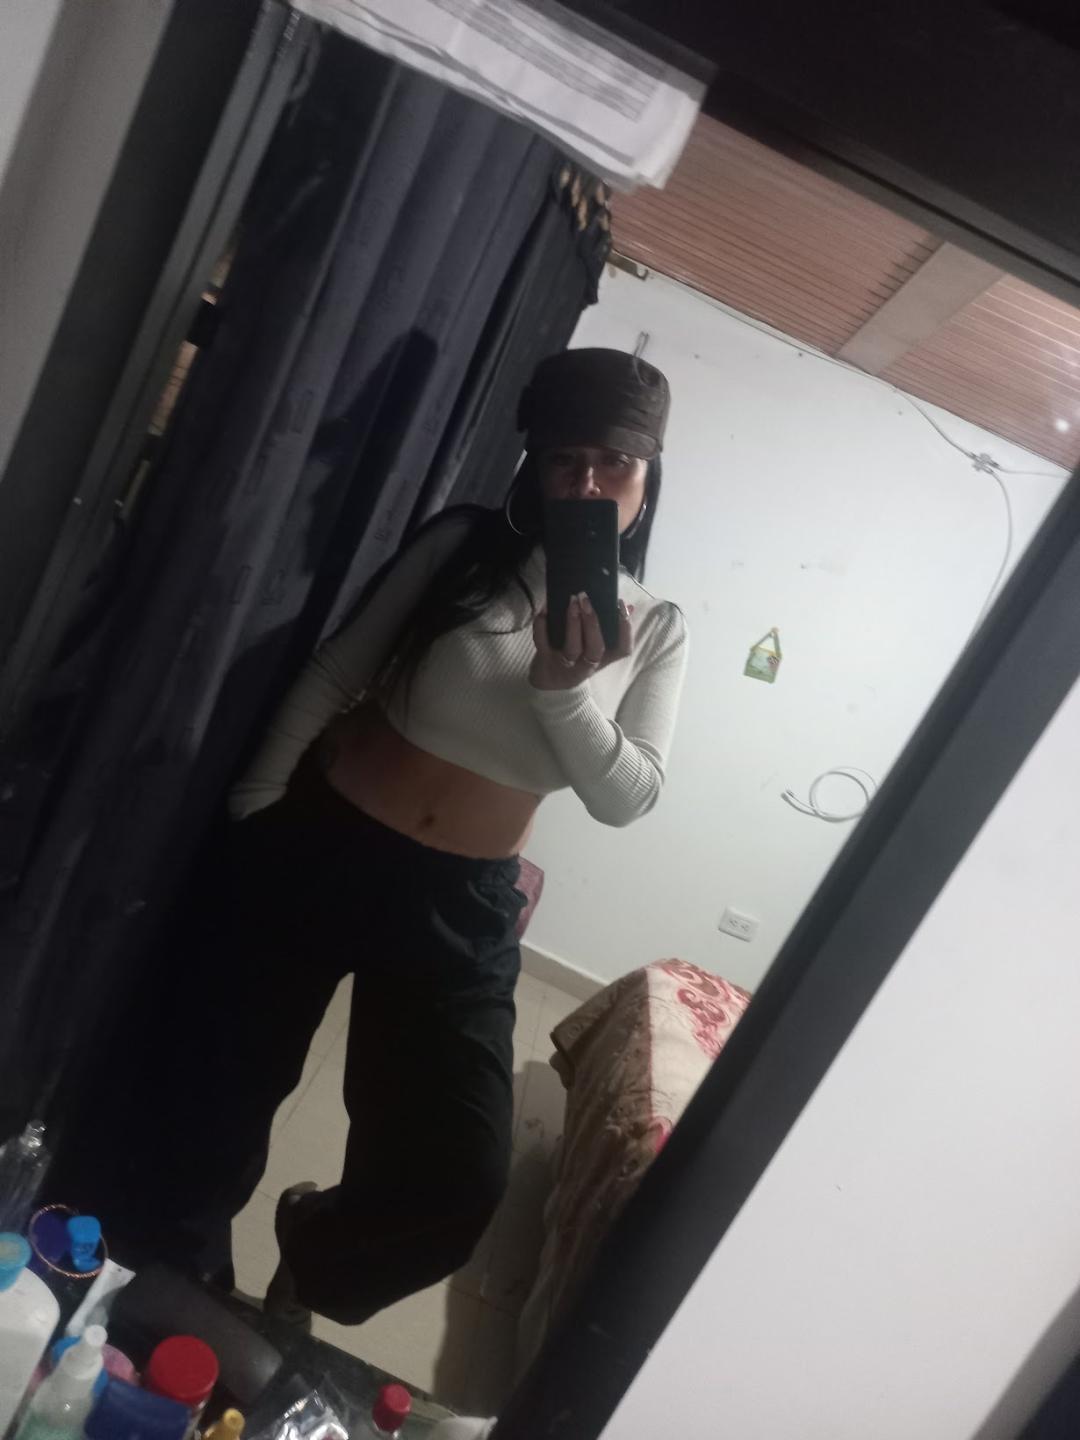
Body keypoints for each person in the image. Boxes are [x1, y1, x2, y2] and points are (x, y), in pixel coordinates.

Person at [86, 347, 687, 1328]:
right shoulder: (464, 549)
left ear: (649, 479)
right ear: (535, 466)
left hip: (461, 903)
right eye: (566, 459)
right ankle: (159, 1285)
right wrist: (259, 799)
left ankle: (316, 1253)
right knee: (213, 1094)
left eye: (615, 463)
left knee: (454, 1173)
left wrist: (566, 692)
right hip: (320, 840)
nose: (589, 484)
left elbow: (629, 797)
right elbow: (337, 669)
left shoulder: (655, 629)